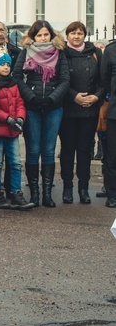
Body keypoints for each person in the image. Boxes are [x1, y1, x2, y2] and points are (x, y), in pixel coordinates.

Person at [13, 20, 69, 207]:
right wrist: (31, 97)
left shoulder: (59, 53)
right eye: (39, 35)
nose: (43, 38)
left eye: (46, 34)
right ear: (33, 36)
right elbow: (17, 77)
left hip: (54, 107)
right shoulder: (25, 52)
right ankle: (34, 194)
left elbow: (64, 80)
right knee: (33, 149)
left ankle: (47, 194)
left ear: (51, 35)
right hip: (33, 107)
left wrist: (53, 98)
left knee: (49, 150)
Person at [59, 21, 103, 204]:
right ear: (67, 35)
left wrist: (96, 97)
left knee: (85, 150)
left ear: (85, 35)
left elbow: (103, 79)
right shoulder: (61, 53)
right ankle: (67, 188)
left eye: (80, 33)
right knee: (68, 150)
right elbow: (59, 79)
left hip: (89, 110)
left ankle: (83, 189)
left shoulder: (95, 53)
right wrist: (74, 96)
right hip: (69, 108)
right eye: (73, 33)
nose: (76, 36)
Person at [0, 53, 34, 210]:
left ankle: (15, 192)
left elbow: (20, 102)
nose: (6, 67)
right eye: (2, 64)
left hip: (13, 131)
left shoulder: (14, 84)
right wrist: (7, 118)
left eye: (8, 65)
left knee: (15, 162)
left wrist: (20, 118)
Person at [101, 40, 116, 208]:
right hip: (115, 112)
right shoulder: (111, 50)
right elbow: (104, 79)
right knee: (112, 155)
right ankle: (112, 194)